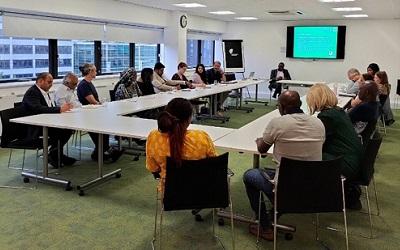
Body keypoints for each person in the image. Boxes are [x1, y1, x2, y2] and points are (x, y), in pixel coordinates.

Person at [243, 91, 325, 240]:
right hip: (313, 187)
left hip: (285, 189)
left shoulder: (278, 123)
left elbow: (262, 149)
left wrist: (260, 140)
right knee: (279, 171)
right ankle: (276, 210)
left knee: (250, 174)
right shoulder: (318, 123)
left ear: (282, 107)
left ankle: (265, 226)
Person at [307, 83, 363, 209]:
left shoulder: (327, 116)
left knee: (303, 155)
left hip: (345, 164)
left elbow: (315, 142)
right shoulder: (338, 111)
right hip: (354, 160)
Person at [146, 98, 217, 192]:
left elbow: (154, 169)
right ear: (189, 119)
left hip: (170, 194)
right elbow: (214, 164)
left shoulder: (154, 137)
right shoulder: (201, 137)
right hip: (203, 191)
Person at [22, 72, 76, 168]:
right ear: (40, 81)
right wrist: (59, 109)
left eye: (52, 82)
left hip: (44, 122)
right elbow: (38, 108)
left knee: (67, 128)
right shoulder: (32, 92)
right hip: (34, 127)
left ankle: (56, 154)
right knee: (63, 130)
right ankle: (54, 155)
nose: (51, 84)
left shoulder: (43, 91)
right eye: (49, 82)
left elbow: (47, 107)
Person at [76, 63, 123, 162]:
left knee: (105, 128)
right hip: (88, 115)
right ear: (90, 71)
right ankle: (102, 152)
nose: (96, 72)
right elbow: (92, 101)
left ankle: (101, 151)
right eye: (95, 70)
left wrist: (100, 103)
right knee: (102, 130)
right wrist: (101, 104)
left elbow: (95, 101)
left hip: (94, 112)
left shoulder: (89, 83)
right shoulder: (84, 85)